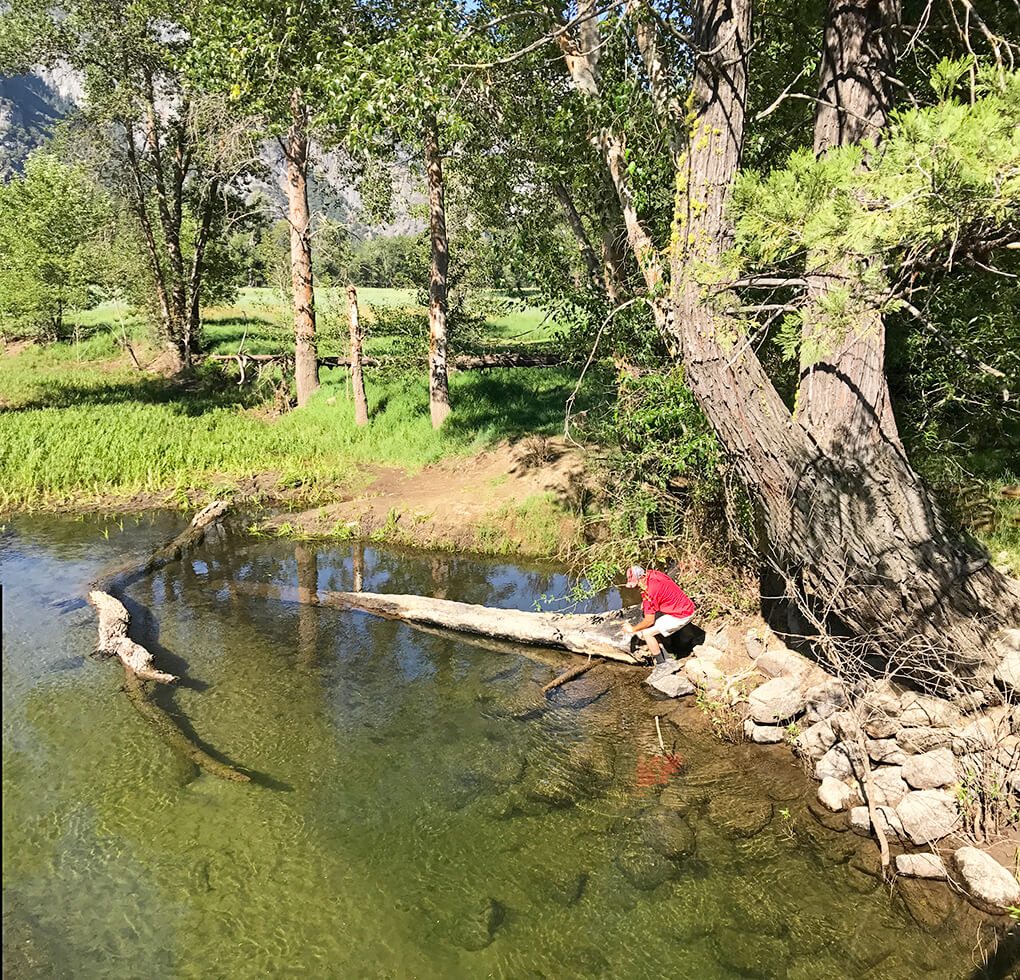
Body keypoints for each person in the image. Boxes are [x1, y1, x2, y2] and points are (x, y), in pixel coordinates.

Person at [621, 565, 695, 661]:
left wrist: (633, 629)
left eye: (636, 584)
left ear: (642, 578)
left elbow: (649, 621)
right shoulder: (653, 574)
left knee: (647, 632)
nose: (635, 588)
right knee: (650, 619)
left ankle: (663, 664)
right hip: (686, 605)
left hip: (682, 614)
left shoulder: (648, 593)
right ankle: (667, 653)